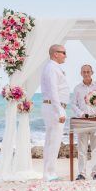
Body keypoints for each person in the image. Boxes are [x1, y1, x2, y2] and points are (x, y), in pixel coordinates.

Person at [40, 44, 69, 181]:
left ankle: (48, 172)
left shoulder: (53, 67)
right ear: (55, 54)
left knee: (51, 141)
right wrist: (60, 111)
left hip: (52, 107)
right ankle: (49, 173)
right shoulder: (52, 68)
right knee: (54, 141)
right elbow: (53, 91)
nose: (65, 55)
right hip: (53, 107)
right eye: (63, 52)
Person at [71, 64, 96, 180]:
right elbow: (73, 104)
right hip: (82, 121)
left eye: (88, 71)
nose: (86, 74)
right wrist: (81, 114)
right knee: (82, 149)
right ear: (81, 73)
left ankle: (95, 173)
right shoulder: (77, 88)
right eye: (84, 72)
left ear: (92, 72)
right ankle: (82, 173)